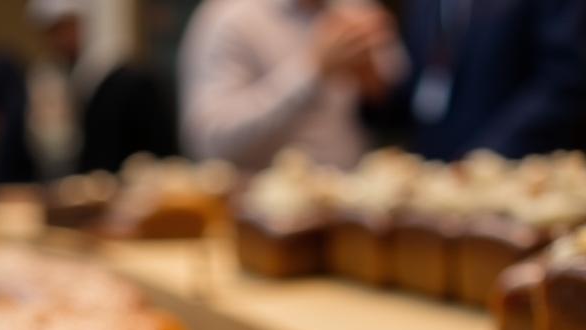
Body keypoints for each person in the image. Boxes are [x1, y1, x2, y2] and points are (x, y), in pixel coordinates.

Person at [0, 0, 176, 192]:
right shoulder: (45, 83)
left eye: (66, 27)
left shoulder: (126, 83)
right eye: (52, 31)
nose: (61, 39)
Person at [178, 0, 401, 171]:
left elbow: (397, 107)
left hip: (351, 207)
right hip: (257, 215)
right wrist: (312, 71)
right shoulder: (229, 20)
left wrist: (373, 82)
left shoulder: (357, 9)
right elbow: (209, 144)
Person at [383, 0, 586, 160]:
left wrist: (485, 158)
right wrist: (377, 83)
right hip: (436, 180)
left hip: (522, 181)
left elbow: (564, 81)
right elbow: (424, 90)